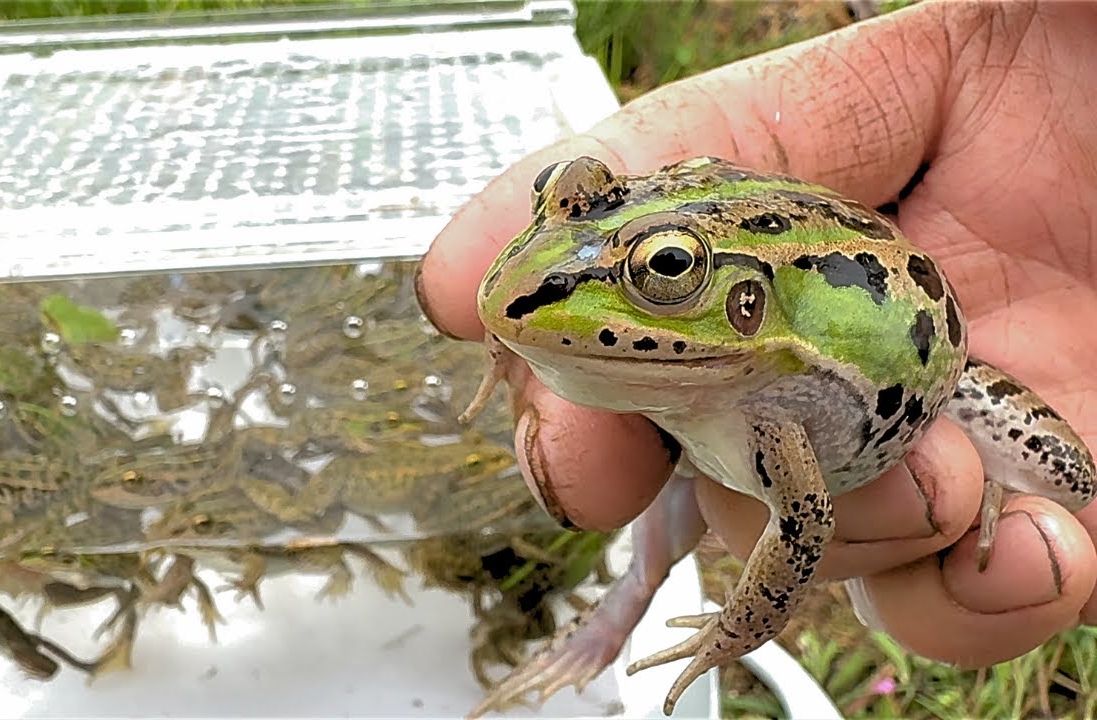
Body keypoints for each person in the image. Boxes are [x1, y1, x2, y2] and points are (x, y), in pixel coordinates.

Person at [416, 0, 1097, 670]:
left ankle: (1008, 490)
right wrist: (509, 342)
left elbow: (803, 526)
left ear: (740, 303)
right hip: (733, 337)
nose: (535, 268)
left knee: (1068, 477)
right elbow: (528, 290)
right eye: (557, 201)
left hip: (938, 373)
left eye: (667, 268)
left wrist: (730, 633)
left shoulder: (773, 412)